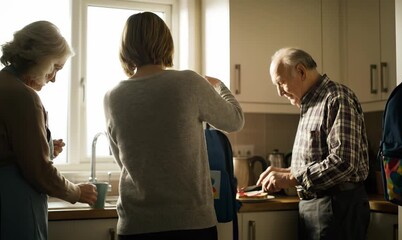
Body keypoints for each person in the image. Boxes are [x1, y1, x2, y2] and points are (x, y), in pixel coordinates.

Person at [103, 12, 244, 240]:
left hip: (135, 226)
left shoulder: (112, 96)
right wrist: (219, 86)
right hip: (190, 224)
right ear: (166, 42)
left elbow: (122, 161)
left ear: (126, 47)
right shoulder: (188, 82)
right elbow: (235, 120)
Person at [257, 47, 370, 240]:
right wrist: (287, 172)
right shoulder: (309, 104)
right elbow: (317, 160)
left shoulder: (336, 98)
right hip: (315, 207)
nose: (279, 93)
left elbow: (344, 162)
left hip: (335, 207)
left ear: (301, 71)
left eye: (281, 83)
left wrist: (292, 178)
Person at [0, 21, 98, 240]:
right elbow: (39, 171)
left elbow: (10, 148)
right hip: (15, 204)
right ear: (39, 58)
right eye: (55, 67)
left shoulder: (3, 83)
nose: (54, 78)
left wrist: (43, 147)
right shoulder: (24, 97)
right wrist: (77, 192)